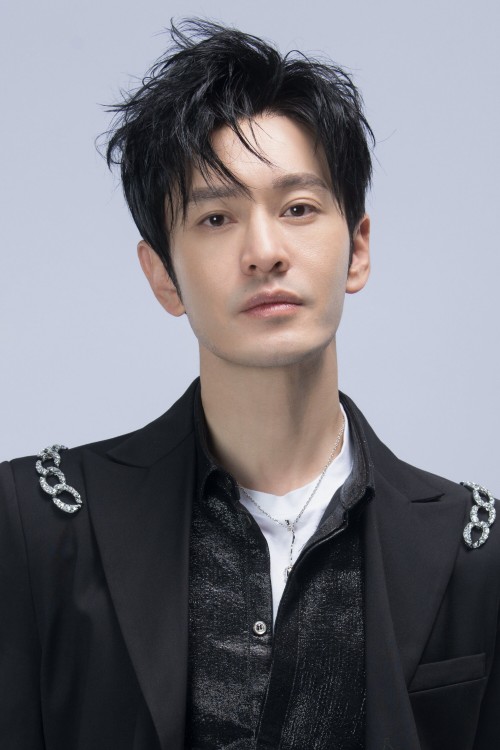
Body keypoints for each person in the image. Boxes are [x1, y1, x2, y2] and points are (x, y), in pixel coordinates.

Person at [0, 19, 498, 750]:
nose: (264, 252)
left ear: (358, 249)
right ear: (162, 276)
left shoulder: (474, 549)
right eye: (216, 217)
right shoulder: (37, 521)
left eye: (298, 209)